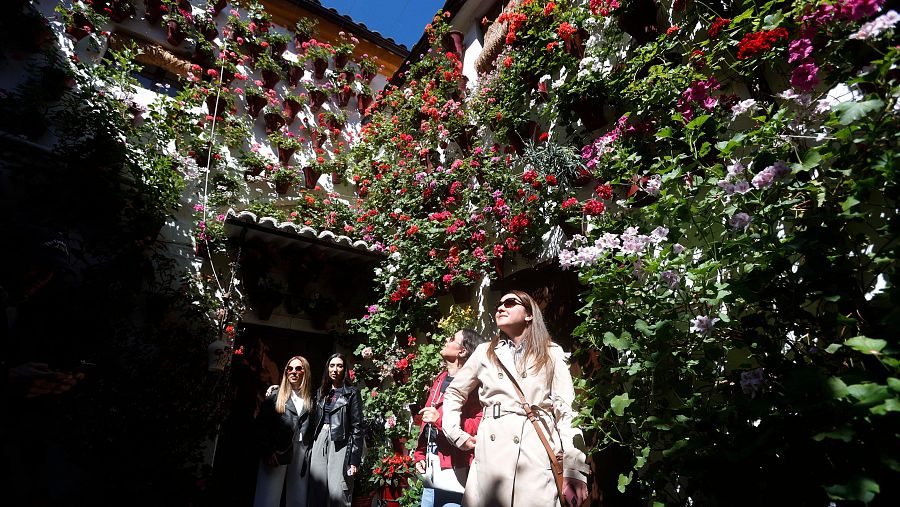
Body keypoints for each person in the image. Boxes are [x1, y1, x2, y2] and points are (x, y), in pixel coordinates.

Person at [442, 290, 590, 507]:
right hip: (492, 460)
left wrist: (575, 469)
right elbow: (454, 392)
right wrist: (455, 433)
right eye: (499, 304)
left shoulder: (551, 353)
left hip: (535, 455)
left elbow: (566, 412)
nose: (501, 307)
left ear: (529, 314)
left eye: (510, 303)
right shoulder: (485, 352)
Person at [414, 329, 485, 507]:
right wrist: (420, 454)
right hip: (433, 469)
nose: (446, 339)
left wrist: (440, 419)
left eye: (452, 339)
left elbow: (479, 424)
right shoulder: (440, 379)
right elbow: (427, 421)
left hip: (456, 471)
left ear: (462, 351)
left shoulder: (474, 385)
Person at [253, 356, 314, 507]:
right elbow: (261, 426)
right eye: (290, 368)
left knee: (298, 499)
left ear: (305, 372)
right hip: (278, 450)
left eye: (298, 368)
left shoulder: (313, 399)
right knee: (267, 498)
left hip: (302, 452)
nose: (293, 372)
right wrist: (267, 451)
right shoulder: (275, 396)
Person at [308, 353, 364, 506]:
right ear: (327, 369)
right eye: (332, 366)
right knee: (316, 487)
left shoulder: (351, 393)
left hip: (341, 441)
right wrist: (277, 388)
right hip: (320, 438)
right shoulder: (320, 392)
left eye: (339, 366)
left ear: (344, 369)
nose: (335, 369)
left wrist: (354, 460)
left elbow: (357, 427)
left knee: (338, 490)